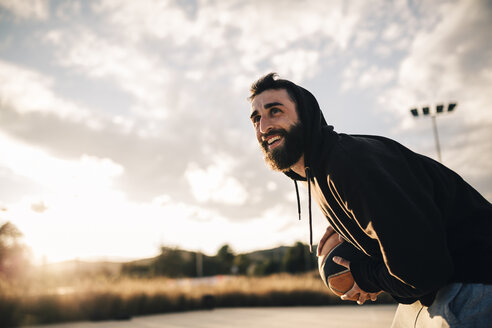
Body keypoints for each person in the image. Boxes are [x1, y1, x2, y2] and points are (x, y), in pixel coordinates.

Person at [248, 72, 492, 327]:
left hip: (474, 280)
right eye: (256, 118)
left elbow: (424, 270)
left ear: (306, 116)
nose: (263, 127)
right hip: (441, 288)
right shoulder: (323, 171)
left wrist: (365, 277)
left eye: (275, 111)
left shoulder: (346, 164)